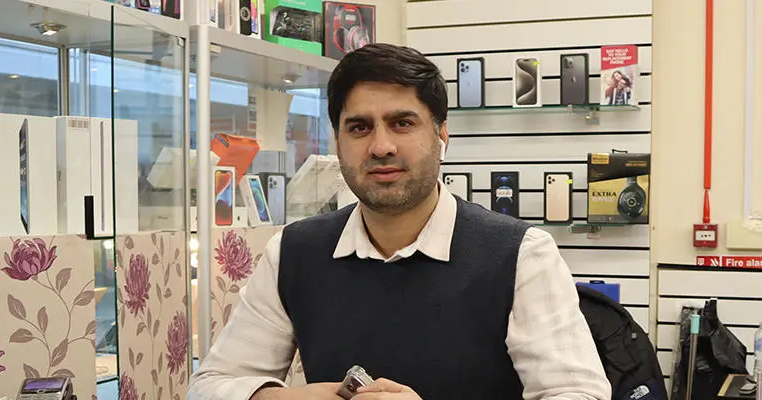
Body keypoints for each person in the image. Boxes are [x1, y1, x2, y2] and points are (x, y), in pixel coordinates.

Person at [187, 43, 611, 400]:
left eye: (402, 123)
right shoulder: (294, 253)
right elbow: (209, 386)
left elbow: (578, 394)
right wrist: (278, 398)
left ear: (442, 135)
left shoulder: (522, 256)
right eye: (359, 128)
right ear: (338, 141)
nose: (381, 146)